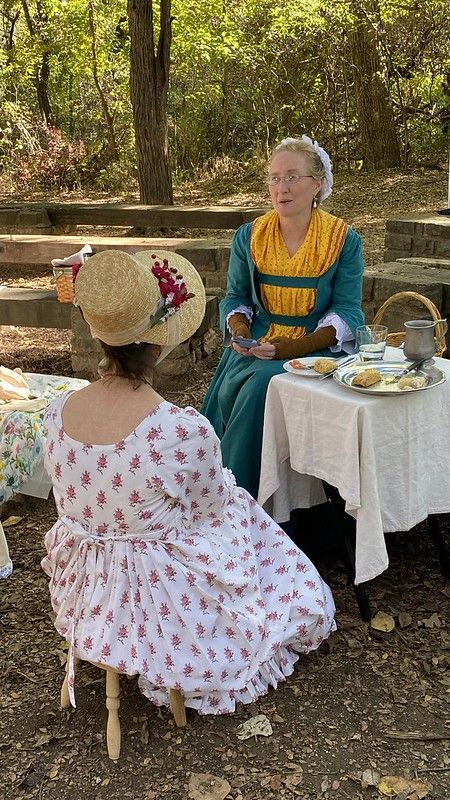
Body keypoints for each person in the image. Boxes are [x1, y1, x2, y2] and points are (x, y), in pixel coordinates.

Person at [41, 248, 336, 715]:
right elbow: (210, 511)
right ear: (159, 342)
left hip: (90, 582)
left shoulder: (56, 413)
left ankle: (112, 631)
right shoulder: (178, 429)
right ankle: (215, 632)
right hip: (162, 591)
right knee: (243, 511)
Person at [201, 135, 364, 498]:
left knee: (262, 385)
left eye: (292, 177)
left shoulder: (343, 239)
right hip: (258, 343)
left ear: (317, 184)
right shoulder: (250, 236)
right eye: (274, 178)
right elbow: (237, 297)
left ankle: (238, 500)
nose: (281, 187)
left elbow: (348, 310)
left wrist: (297, 346)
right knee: (237, 387)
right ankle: (218, 492)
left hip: (317, 351)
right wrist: (241, 331)